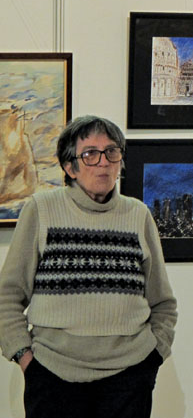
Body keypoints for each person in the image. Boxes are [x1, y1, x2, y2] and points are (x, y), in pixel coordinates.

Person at [0, 115, 177, 418]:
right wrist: (25, 357)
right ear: (70, 167)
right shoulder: (41, 210)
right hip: (53, 375)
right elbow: (8, 295)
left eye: (112, 152)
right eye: (90, 154)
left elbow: (163, 302)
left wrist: (153, 356)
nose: (103, 162)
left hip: (129, 377)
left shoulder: (138, 215)